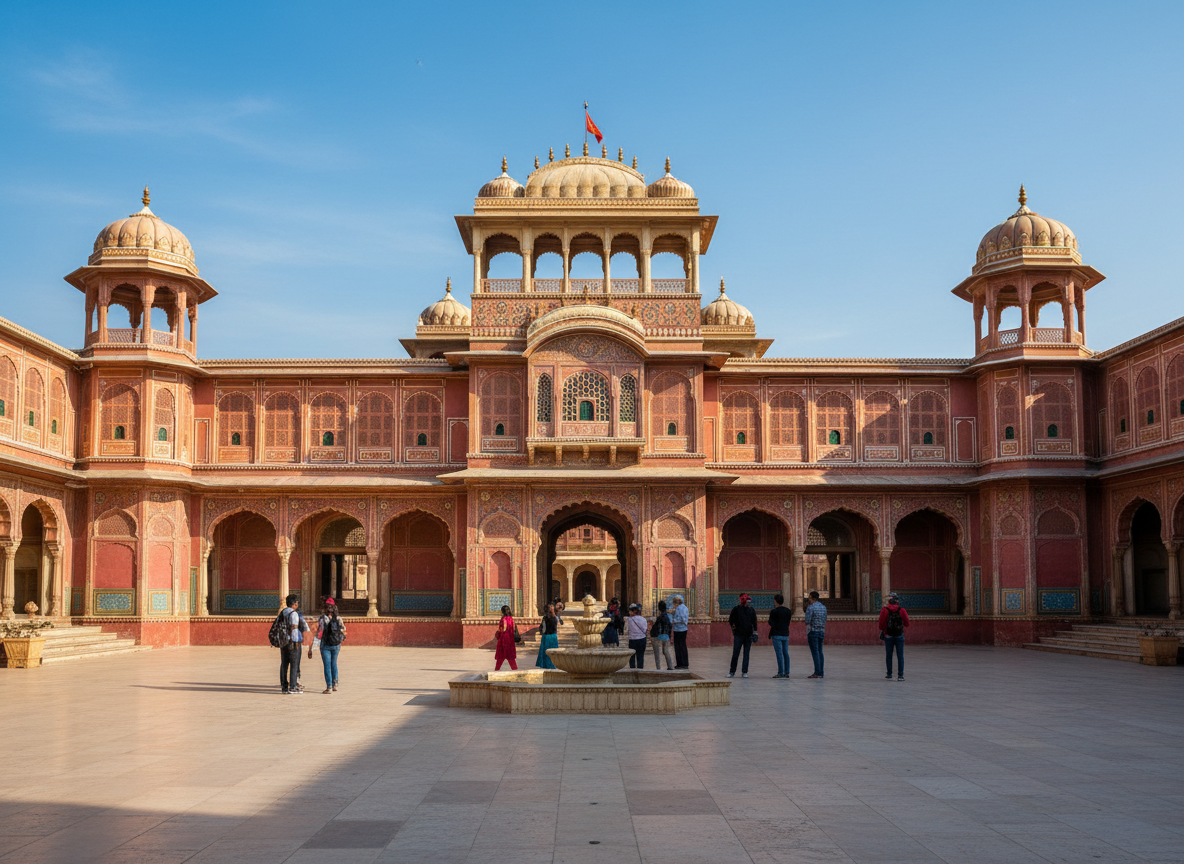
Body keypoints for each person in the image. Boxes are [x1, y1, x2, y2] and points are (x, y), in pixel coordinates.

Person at [308, 597, 346, 693]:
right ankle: (335, 684)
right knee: (334, 664)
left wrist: (311, 648)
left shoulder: (322, 619)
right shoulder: (338, 618)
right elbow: (343, 630)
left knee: (327, 665)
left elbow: (318, 633)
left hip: (325, 644)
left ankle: (329, 687)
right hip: (336, 644)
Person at [278, 594, 309, 695]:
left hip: (283, 641)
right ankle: (293, 686)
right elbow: (294, 629)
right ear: (294, 603)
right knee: (294, 664)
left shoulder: (282, 612)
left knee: (284, 664)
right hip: (292, 641)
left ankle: (284, 687)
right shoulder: (294, 614)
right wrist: (296, 642)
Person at [878, 592, 910, 680]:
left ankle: (889, 674)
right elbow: (907, 623)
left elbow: (881, 624)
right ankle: (900, 675)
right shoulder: (902, 610)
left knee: (889, 655)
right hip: (899, 635)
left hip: (888, 635)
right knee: (900, 655)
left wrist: (885, 631)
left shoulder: (885, 610)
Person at [727, 593, 758, 678]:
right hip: (744, 634)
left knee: (739, 653)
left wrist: (734, 628)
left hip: (742, 634)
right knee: (742, 653)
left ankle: (735, 672)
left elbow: (731, 621)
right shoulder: (746, 609)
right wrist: (755, 631)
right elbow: (754, 622)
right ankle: (740, 672)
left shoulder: (739, 609)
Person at [767, 593, 792, 679]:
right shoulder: (788, 611)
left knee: (779, 654)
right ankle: (787, 672)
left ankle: (780, 672)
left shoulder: (774, 611)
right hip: (785, 633)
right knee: (786, 653)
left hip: (776, 634)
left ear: (775, 601)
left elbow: (770, 622)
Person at [804, 591, 828, 679]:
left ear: (811, 598)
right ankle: (821, 672)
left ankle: (817, 672)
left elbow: (807, 620)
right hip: (821, 630)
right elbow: (825, 619)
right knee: (820, 651)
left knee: (815, 652)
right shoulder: (823, 607)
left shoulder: (811, 607)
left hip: (813, 631)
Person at [650, 600, 675, 670]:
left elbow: (656, 627)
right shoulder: (667, 617)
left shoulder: (660, 617)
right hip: (666, 636)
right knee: (666, 651)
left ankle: (658, 668)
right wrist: (669, 636)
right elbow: (669, 627)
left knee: (657, 653)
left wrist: (652, 634)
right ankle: (670, 666)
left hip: (659, 636)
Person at [494, 605, 518, 671]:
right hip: (510, 640)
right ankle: (515, 670)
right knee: (511, 658)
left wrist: (498, 632)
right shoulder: (511, 619)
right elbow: (513, 629)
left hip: (503, 639)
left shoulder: (504, 619)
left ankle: (496, 670)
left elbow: (503, 629)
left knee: (500, 657)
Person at [624, 603, 648, 668]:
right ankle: (640, 670)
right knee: (640, 656)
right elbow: (645, 629)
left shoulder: (629, 620)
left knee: (632, 657)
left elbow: (625, 631)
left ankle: (633, 671)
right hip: (642, 639)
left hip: (632, 640)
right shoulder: (644, 619)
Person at [670, 594, 690, 669]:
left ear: (676, 603)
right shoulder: (685, 607)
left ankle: (680, 664)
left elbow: (682, 619)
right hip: (683, 629)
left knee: (678, 647)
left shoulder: (679, 608)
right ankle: (684, 663)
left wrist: (673, 621)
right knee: (683, 646)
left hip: (678, 630)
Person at [536, 603, 559, 669]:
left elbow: (542, 627)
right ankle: (553, 665)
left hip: (546, 636)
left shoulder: (545, 618)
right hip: (553, 636)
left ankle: (545, 665)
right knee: (553, 652)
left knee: (545, 652)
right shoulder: (555, 618)